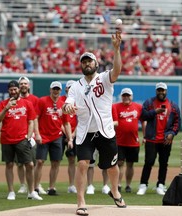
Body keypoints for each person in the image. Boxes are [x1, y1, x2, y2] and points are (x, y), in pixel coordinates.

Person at [62, 29, 126, 216]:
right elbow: (67, 104)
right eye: (84, 62)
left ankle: (114, 191)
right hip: (85, 132)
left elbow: (117, 70)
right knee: (82, 164)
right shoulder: (76, 86)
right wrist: (67, 108)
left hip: (105, 130)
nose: (87, 64)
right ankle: (81, 201)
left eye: (89, 61)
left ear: (96, 63)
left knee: (111, 166)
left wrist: (116, 50)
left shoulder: (104, 78)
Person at [0, 76, 47, 195]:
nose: (13, 91)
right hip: (7, 138)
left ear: (18, 90)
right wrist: (6, 108)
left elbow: (31, 120)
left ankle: (32, 191)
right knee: (10, 164)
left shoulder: (27, 103)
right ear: (8, 91)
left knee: (30, 164)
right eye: (11, 90)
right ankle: (11, 191)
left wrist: (29, 136)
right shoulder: (3, 104)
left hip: (22, 138)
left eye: (15, 89)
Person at [137, 82, 180, 196]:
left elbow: (177, 122)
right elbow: (143, 116)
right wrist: (154, 112)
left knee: (163, 163)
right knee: (149, 162)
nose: (161, 92)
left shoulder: (173, 105)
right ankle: (143, 184)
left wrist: (172, 133)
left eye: (163, 90)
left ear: (166, 91)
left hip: (165, 139)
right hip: (152, 138)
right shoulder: (150, 102)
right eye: (159, 90)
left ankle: (160, 184)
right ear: (156, 91)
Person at [34, 81, 72, 196]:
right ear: (50, 90)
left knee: (56, 162)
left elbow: (66, 123)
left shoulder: (63, 104)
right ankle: (36, 187)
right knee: (40, 161)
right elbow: (35, 118)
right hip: (44, 135)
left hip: (57, 136)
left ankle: (51, 187)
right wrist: (37, 134)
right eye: (54, 89)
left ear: (61, 91)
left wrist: (70, 138)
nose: (56, 91)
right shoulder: (42, 101)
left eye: (58, 89)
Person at [112, 88, 146, 193]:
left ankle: (128, 185)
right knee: (120, 162)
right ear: (121, 96)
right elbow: (114, 122)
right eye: (124, 95)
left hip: (133, 141)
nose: (126, 97)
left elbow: (144, 121)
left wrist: (144, 136)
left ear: (132, 96)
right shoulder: (116, 106)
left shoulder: (138, 107)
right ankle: (118, 184)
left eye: (128, 95)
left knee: (130, 164)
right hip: (119, 140)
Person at [60, 80, 78, 193]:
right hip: (61, 133)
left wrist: (72, 134)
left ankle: (71, 185)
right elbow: (60, 121)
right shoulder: (61, 100)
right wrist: (67, 134)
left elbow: (81, 120)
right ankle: (51, 186)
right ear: (66, 89)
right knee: (55, 160)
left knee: (72, 159)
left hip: (74, 133)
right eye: (69, 87)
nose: (71, 89)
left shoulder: (79, 101)